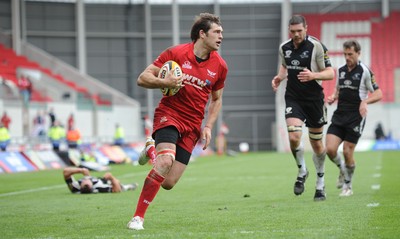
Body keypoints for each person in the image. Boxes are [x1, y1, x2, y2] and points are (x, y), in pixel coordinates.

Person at [127, 13, 228, 230]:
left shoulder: (220, 66)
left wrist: (208, 126)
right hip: (170, 114)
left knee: (169, 182)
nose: (221, 37)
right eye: (217, 32)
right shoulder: (176, 53)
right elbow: (142, 78)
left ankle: (151, 150)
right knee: (165, 162)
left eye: (222, 33)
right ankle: (137, 218)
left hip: (193, 125)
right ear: (202, 34)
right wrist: (164, 81)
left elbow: (217, 100)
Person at [271, 15, 334, 201]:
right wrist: (279, 77)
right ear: (289, 30)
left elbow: (330, 73)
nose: (296, 34)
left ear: (306, 28)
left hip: (314, 100)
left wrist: (313, 75)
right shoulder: (284, 47)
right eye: (293, 31)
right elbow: (285, 66)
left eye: (300, 30)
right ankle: (302, 170)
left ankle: (320, 184)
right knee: (294, 135)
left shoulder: (316, 46)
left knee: (316, 144)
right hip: (294, 98)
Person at [326, 40, 382, 197]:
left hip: (356, 117)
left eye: (350, 54)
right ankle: (343, 169)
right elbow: (338, 89)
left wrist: (365, 101)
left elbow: (378, 94)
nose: (347, 57)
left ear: (358, 53)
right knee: (330, 149)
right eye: (345, 54)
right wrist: (333, 96)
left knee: (347, 151)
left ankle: (348, 187)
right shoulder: (341, 70)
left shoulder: (365, 71)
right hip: (340, 114)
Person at [63, 167, 138, 194]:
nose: (86, 180)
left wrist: (80, 170)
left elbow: (65, 172)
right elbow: (117, 190)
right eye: (87, 183)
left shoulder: (76, 187)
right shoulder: (99, 187)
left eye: (85, 182)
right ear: (92, 187)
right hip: (111, 183)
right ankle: (129, 186)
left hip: (101, 179)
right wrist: (111, 178)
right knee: (120, 185)